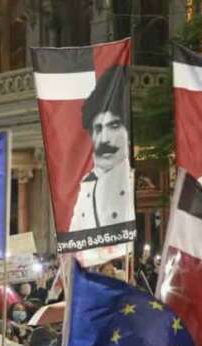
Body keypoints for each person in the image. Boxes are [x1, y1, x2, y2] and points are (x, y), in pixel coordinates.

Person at [69, 65, 133, 233]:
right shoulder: (86, 184)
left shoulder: (131, 178)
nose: (104, 139)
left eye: (114, 125)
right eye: (98, 128)